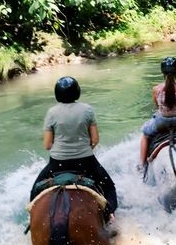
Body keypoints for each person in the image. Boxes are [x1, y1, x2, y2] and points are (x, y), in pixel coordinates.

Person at [30, 76, 117, 220]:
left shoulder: (51, 113)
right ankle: (110, 216)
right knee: (109, 187)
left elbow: (47, 145)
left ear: (57, 94)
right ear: (77, 92)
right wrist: (82, 149)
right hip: (86, 162)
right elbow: (95, 140)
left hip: (57, 164)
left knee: (35, 189)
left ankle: (32, 219)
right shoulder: (87, 110)